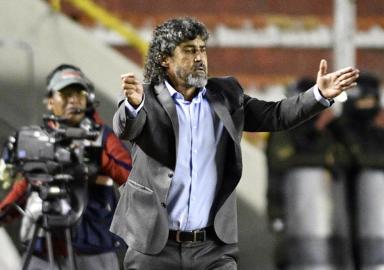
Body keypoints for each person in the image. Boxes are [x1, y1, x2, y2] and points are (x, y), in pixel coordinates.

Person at [110, 17, 359, 270]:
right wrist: (134, 105)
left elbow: (276, 115)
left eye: (202, 50)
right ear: (165, 59)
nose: (199, 58)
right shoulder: (144, 97)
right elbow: (126, 127)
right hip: (154, 247)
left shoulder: (226, 95)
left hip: (211, 249)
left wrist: (318, 95)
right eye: (188, 50)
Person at [0, 64, 132, 270]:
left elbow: (131, 179)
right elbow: (24, 186)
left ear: (87, 98)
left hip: (92, 246)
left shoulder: (102, 137)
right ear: (50, 101)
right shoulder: (38, 139)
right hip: (43, 245)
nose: (73, 100)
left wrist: (99, 162)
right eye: (65, 93)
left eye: (79, 93)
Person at [265, 78, 350, 269]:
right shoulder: (281, 132)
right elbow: (283, 161)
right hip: (286, 211)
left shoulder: (322, 137)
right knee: (289, 257)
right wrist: (322, 161)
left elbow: (339, 160)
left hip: (320, 216)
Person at [327, 73, 384, 270]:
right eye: (367, 98)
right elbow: (359, 159)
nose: (371, 104)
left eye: (374, 98)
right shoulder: (337, 130)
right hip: (346, 211)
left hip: (379, 218)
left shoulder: (379, 134)